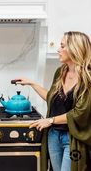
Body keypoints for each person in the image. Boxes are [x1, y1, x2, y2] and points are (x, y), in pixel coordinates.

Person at [14, 31, 91, 171]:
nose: (58, 49)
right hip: (53, 136)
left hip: (72, 139)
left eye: (62, 46)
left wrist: (49, 120)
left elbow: (80, 113)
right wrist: (32, 83)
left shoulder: (88, 79)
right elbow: (51, 98)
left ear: (75, 49)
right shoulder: (61, 72)